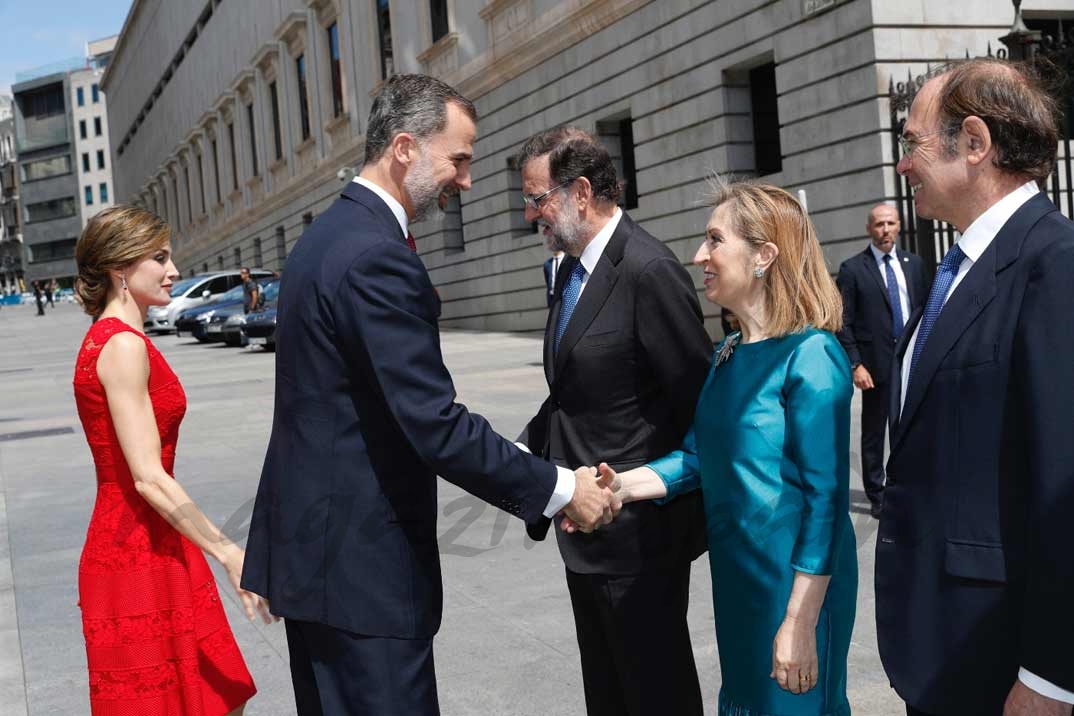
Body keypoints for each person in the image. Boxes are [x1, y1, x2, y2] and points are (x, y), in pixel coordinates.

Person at [240, 75, 617, 716]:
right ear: (407, 147)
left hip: (316, 565)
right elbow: (434, 423)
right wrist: (561, 489)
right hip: (363, 578)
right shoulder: (375, 256)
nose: (466, 180)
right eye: (460, 158)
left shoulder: (321, 242)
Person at [595, 178, 858, 716]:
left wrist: (800, 621)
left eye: (715, 240)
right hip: (739, 579)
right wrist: (620, 486)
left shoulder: (812, 353)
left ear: (764, 255)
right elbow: (696, 457)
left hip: (795, 585)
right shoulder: (727, 354)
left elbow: (826, 500)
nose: (699, 256)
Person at [877, 57, 1074, 716]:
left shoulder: (1054, 264)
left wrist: (1052, 676)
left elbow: (1064, 484)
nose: (903, 166)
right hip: (941, 647)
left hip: (1003, 660)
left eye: (912, 143)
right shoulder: (958, 263)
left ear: (975, 143)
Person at [515, 126, 711, 715]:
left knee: (655, 695)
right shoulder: (571, 271)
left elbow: (698, 402)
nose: (532, 216)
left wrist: (643, 488)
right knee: (609, 695)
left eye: (537, 199)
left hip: (638, 543)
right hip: (583, 533)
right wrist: (519, 456)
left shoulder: (648, 271)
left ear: (579, 191)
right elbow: (573, 394)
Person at [71, 205, 271, 715]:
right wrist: (229, 552)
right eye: (159, 258)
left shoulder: (113, 339)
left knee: (218, 695)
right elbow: (146, 477)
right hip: (137, 549)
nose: (174, 271)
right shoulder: (120, 346)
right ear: (121, 269)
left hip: (159, 540)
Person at [835, 204, 927, 517]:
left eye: (890, 223)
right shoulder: (853, 269)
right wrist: (855, 364)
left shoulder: (913, 264)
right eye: (878, 224)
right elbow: (842, 321)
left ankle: (910, 485)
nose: (885, 229)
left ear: (899, 226)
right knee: (874, 432)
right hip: (874, 366)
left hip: (911, 361)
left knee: (911, 428)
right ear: (869, 229)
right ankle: (877, 494)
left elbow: (925, 310)